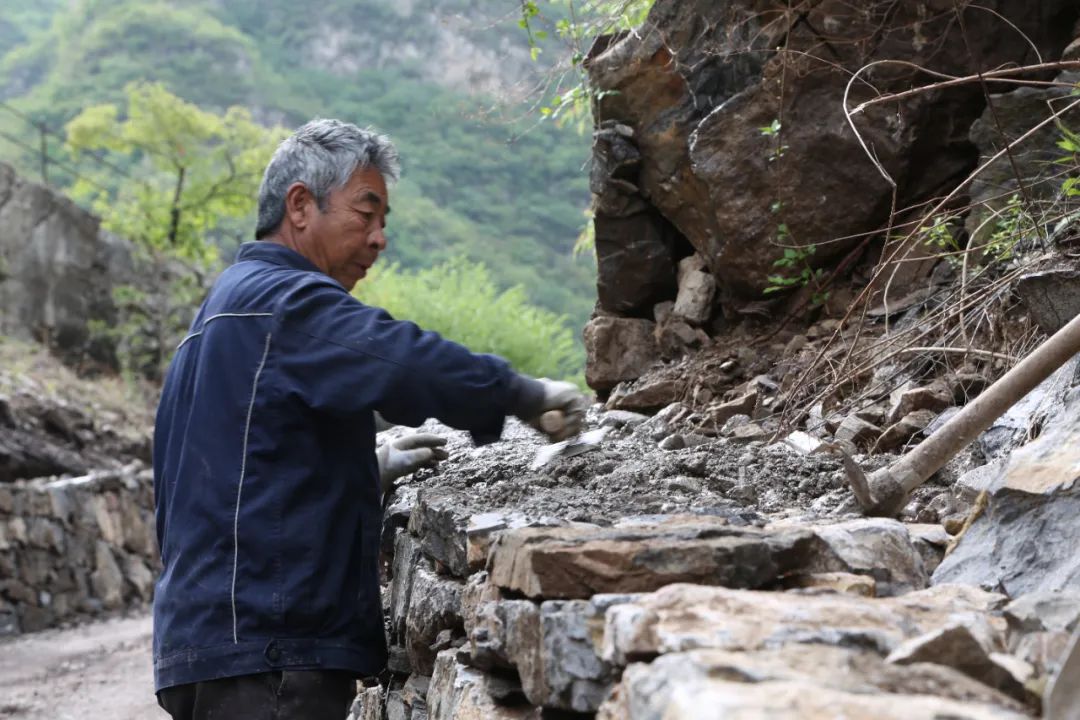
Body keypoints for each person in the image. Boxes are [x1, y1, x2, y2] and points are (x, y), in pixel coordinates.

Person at [152, 118, 589, 719]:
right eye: (366, 212)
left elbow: (233, 476)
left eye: (383, 221)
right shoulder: (286, 301)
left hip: (204, 646)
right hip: (268, 651)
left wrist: (361, 471)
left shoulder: (214, 321)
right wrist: (520, 392)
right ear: (300, 206)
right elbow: (398, 358)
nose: (379, 237)